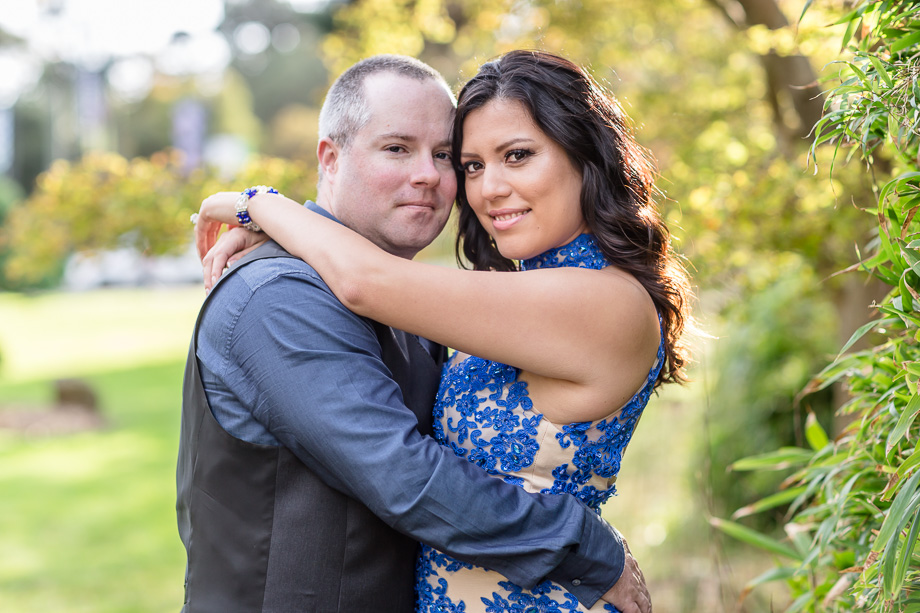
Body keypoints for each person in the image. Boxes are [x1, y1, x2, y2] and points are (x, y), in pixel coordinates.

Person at [197, 50, 690, 613]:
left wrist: (252, 204)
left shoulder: (604, 301)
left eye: (518, 156)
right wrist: (283, 236)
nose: (488, 189)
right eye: (474, 165)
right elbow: (371, 276)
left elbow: (367, 280)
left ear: (586, 157)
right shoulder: (509, 293)